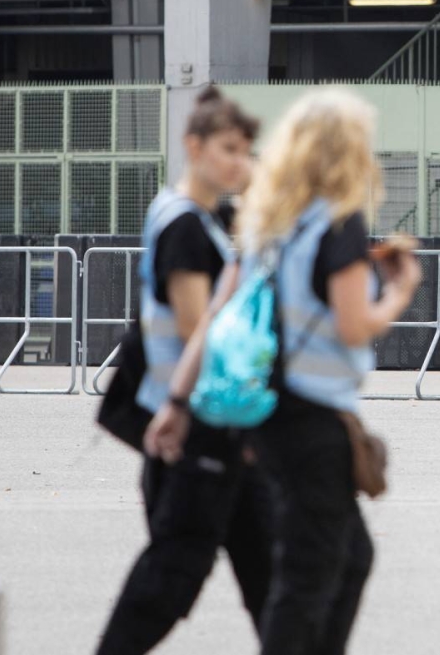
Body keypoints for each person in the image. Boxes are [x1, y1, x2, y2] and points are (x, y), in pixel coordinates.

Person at [145, 87, 422, 655]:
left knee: (348, 559)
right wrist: (400, 291)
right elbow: (353, 325)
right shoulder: (337, 222)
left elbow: (217, 315)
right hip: (313, 421)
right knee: (307, 575)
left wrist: (177, 403)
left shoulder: (265, 222)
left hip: (267, 414)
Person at [95, 87, 274, 655]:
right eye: (227, 149)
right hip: (196, 420)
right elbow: (205, 331)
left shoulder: (188, 215)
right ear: (192, 146)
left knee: (269, 568)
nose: (239, 163)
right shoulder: (187, 229)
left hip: (208, 417)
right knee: (176, 570)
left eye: (246, 151)